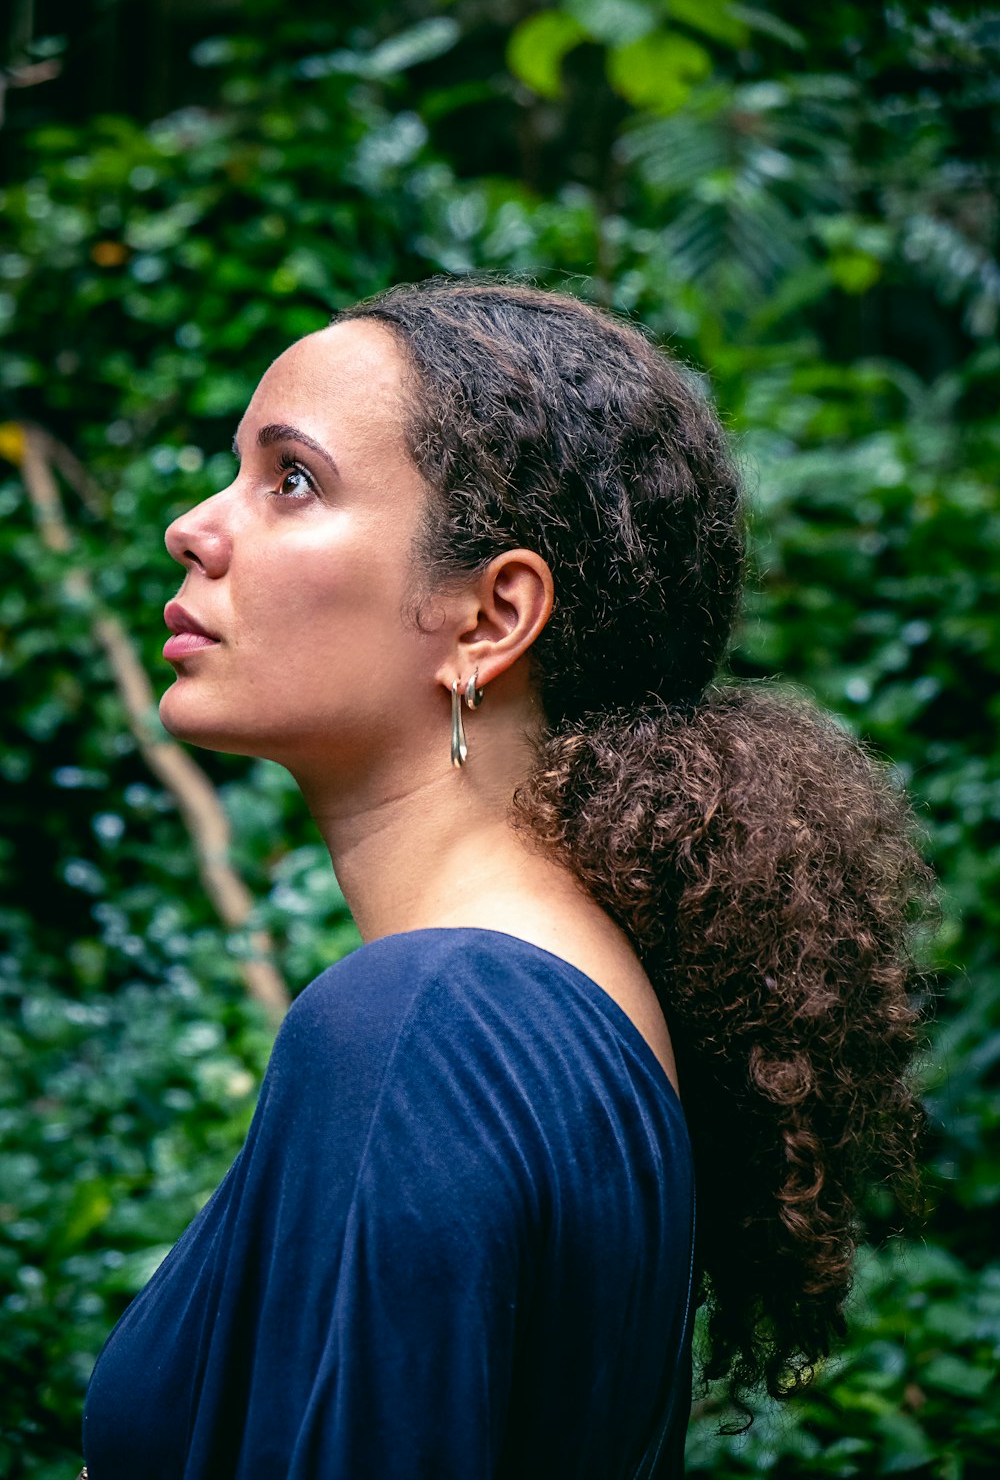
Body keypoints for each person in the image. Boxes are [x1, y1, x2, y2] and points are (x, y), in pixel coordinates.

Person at [80, 278, 927, 1479]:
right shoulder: (548, 1013)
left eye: (293, 481)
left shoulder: (436, 1025)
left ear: (490, 617)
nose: (195, 528)